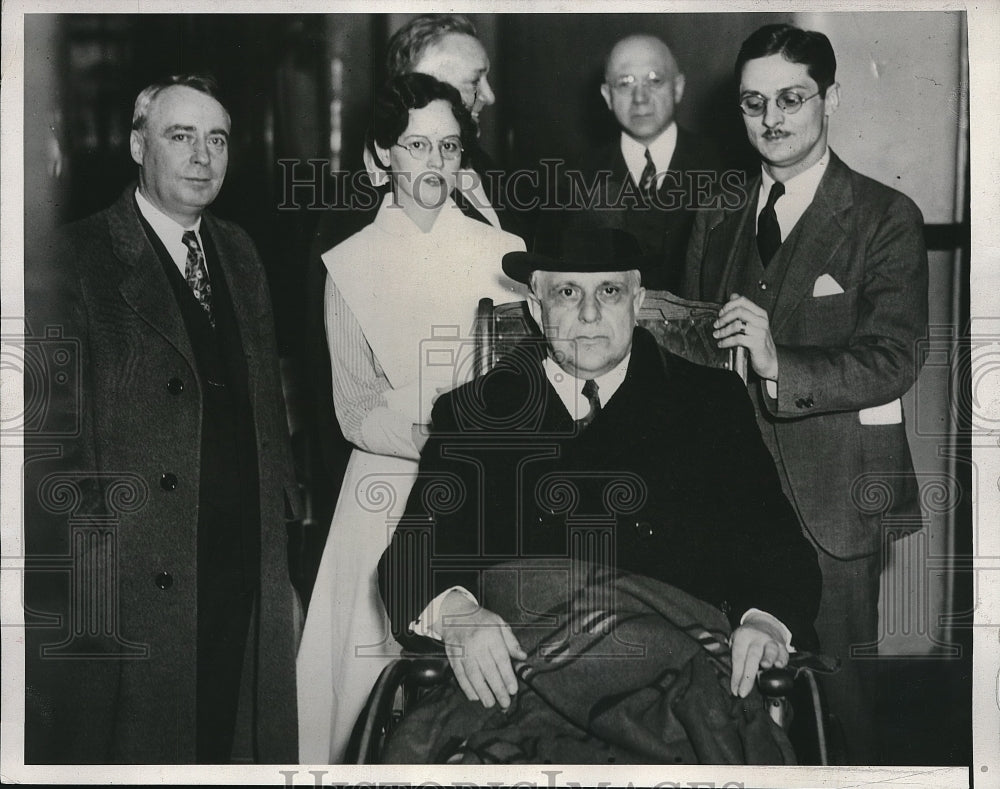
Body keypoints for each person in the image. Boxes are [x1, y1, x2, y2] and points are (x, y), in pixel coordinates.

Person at [377, 220, 822, 762]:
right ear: (536, 308)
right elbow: (407, 559)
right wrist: (459, 615)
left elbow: (779, 547)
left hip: (674, 695)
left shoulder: (710, 403)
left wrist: (762, 620)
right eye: (567, 292)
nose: (589, 314)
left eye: (608, 291)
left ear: (637, 301)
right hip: (519, 691)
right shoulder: (474, 413)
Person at [23, 75, 300, 763]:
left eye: (217, 139)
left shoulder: (239, 252)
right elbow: (45, 448)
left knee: (231, 741)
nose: (202, 156)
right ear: (138, 144)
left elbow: (266, 411)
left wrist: (281, 551)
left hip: (238, 562)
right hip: (134, 578)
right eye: (181, 136)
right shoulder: (74, 257)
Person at [682, 23, 928, 764]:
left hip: (836, 497)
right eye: (754, 103)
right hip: (731, 493)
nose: (772, 119)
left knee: (836, 702)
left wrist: (776, 360)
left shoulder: (885, 216)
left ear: (831, 99)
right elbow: (696, 350)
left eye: (791, 98)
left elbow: (896, 357)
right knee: (732, 696)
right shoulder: (718, 212)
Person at [295, 72, 526, 764]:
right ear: (380, 157)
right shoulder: (352, 262)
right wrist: (442, 440)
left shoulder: (502, 250)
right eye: (417, 145)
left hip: (489, 489)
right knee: (373, 696)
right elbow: (355, 407)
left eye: (450, 147)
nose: (435, 163)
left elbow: (523, 381)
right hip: (389, 492)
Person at [298, 13, 519, 607]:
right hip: (388, 478)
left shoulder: (492, 194)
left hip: (492, 475)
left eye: (448, 147)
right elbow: (343, 401)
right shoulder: (348, 233)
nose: (488, 96)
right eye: (475, 81)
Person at [568, 34, 724, 292]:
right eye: (625, 83)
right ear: (607, 95)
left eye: (654, 80)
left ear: (678, 87)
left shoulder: (722, 167)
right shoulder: (580, 175)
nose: (640, 97)